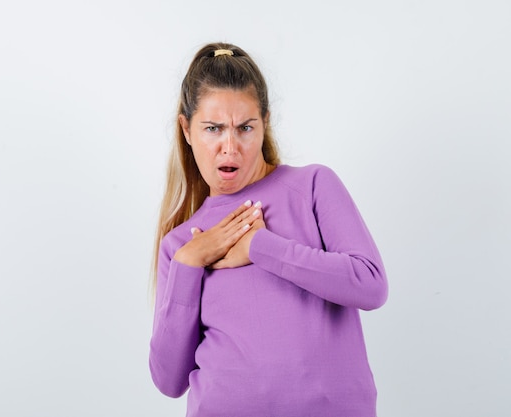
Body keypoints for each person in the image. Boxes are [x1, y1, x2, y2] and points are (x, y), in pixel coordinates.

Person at [149, 42, 388, 417]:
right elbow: (168, 381)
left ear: (265, 123)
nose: (230, 147)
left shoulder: (313, 186)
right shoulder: (182, 244)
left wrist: (261, 246)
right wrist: (188, 264)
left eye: (245, 128)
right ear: (187, 129)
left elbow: (370, 284)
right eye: (213, 129)